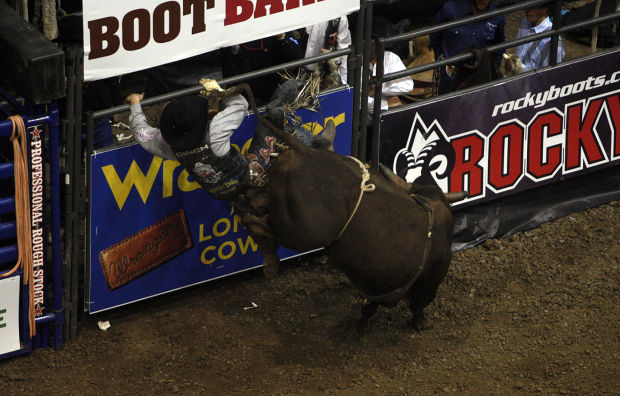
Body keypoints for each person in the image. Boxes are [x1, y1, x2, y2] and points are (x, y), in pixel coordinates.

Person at [126, 80, 251, 200]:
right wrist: (219, 90)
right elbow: (240, 104)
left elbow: (140, 132)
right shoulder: (216, 131)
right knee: (269, 121)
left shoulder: (167, 144)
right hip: (248, 177)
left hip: (218, 193)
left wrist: (135, 103)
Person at [430, 0, 505, 94]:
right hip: (450, 73)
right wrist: (441, 58)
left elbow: (499, 46)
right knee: (444, 106)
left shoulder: (497, 16)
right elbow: (435, 34)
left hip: (478, 75)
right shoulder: (451, 9)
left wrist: (492, 69)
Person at [220, 31, 305, 104]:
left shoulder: (274, 28)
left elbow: (298, 57)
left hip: (275, 91)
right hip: (242, 97)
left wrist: (281, 37)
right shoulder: (230, 35)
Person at [515, 5, 565, 72]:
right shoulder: (524, 22)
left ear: (544, 8)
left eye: (531, 7)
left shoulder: (550, 39)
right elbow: (519, 52)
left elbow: (548, 74)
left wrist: (518, 67)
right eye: (526, 6)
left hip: (533, 80)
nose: (526, 10)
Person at [304, 16, 352, 85]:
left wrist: (344, 82)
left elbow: (344, 52)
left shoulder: (340, 17)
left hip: (323, 76)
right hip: (293, 70)